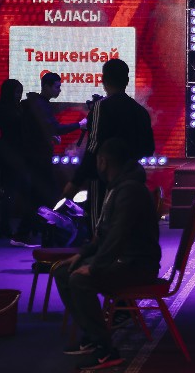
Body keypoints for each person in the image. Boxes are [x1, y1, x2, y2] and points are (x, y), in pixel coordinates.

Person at [53, 137, 161, 371]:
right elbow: (103, 233)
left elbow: (117, 236)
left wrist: (94, 267)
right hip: (125, 260)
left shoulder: (129, 190)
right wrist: (82, 255)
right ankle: (93, 336)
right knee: (64, 271)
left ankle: (106, 349)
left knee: (80, 280)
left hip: (138, 265)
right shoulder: (119, 186)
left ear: (103, 162)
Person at [61, 59, 155, 234]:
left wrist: (75, 182)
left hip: (103, 180)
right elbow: (149, 148)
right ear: (127, 81)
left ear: (103, 80)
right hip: (132, 178)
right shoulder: (140, 111)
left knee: (100, 230)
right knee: (126, 229)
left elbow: (93, 148)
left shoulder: (100, 107)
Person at [16, 72, 86, 248]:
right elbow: (53, 127)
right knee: (48, 195)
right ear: (46, 86)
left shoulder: (37, 103)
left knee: (39, 196)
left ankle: (28, 233)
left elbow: (40, 129)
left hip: (36, 156)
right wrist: (79, 125)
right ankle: (42, 233)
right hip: (39, 157)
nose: (59, 90)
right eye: (57, 87)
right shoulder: (40, 105)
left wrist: (50, 136)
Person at [0, 79, 24, 239]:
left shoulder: (8, 107)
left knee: (10, 190)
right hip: (11, 152)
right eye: (17, 92)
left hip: (9, 150)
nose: (19, 95)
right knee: (11, 190)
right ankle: (4, 226)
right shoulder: (9, 110)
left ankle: (4, 226)